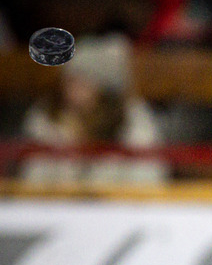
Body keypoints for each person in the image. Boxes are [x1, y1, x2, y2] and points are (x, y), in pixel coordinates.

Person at [21, 35, 167, 185]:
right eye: (69, 81)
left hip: (117, 206)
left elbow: (147, 184)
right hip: (56, 207)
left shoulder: (134, 125)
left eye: (83, 83)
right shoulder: (47, 118)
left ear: (106, 90)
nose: (71, 91)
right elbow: (32, 183)